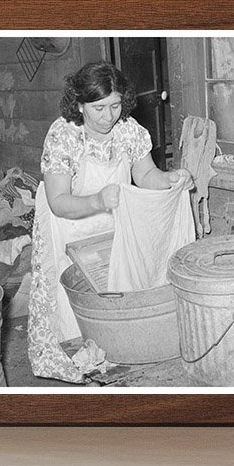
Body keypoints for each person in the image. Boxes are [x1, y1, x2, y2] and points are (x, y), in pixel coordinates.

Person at [28, 60, 192, 383]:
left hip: (109, 226)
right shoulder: (63, 135)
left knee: (109, 296)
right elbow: (58, 201)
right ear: (79, 104)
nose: (108, 116)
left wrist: (171, 179)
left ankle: (111, 361)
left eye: (115, 105)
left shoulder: (128, 130)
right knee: (72, 310)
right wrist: (98, 201)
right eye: (99, 108)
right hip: (68, 227)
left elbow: (146, 174)